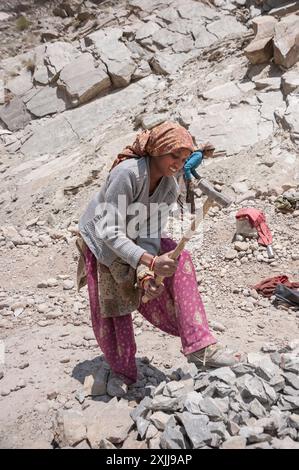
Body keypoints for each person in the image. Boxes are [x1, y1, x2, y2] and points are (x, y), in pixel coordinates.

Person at [77, 122, 242, 396]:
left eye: (183, 158)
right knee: (114, 305)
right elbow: (109, 231)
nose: (177, 164)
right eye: (172, 156)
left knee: (181, 260)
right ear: (156, 150)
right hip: (103, 240)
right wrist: (150, 263)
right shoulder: (127, 174)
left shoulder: (169, 185)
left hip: (136, 235)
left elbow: (152, 230)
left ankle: (200, 346)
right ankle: (122, 371)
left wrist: (146, 272)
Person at [183, 142, 215, 213]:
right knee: (188, 191)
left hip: (184, 174)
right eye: (211, 152)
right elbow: (187, 167)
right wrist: (190, 180)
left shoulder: (200, 156)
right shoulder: (198, 156)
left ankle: (190, 210)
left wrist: (198, 177)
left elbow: (191, 169)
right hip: (181, 173)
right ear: (207, 151)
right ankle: (191, 211)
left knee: (189, 191)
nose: (212, 154)